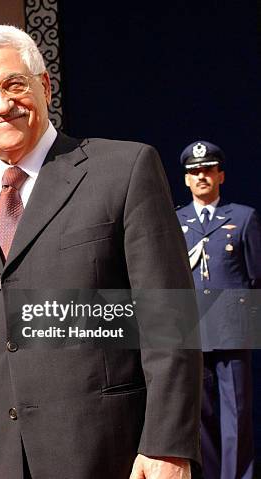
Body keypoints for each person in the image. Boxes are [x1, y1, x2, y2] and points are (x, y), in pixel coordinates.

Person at [0, 25, 202, 478]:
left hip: (109, 456)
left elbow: (168, 317)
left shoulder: (123, 171)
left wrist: (168, 447)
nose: (1, 104)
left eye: (15, 84)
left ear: (45, 85)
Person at [176, 140, 260, 479]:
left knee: (236, 412)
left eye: (208, 170)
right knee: (201, 413)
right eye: (194, 172)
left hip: (232, 326)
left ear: (220, 175)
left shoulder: (243, 217)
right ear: (186, 180)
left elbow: (256, 277)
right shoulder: (175, 220)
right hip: (192, 328)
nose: (201, 177)